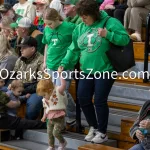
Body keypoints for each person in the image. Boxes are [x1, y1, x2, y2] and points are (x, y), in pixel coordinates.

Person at [58, 0, 130, 143]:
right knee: (83, 97)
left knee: (99, 100)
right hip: (86, 70)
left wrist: (108, 35)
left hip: (106, 69)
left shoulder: (110, 22)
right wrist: (65, 62)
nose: (82, 19)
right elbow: (73, 48)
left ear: (94, 14)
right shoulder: (80, 28)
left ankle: (102, 132)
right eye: (81, 16)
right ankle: (94, 126)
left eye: (85, 16)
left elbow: (125, 39)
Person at [42, 7, 76, 125]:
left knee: (62, 92)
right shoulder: (47, 29)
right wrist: (45, 61)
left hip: (64, 65)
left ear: (57, 18)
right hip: (51, 65)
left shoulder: (69, 27)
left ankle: (72, 113)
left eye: (50, 23)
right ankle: (56, 117)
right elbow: (47, 45)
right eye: (46, 24)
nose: (49, 26)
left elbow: (76, 43)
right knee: (51, 91)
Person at [0, 71, 46, 139]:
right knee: (21, 123)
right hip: (4, 118)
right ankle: (45, 124)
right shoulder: (4, 95)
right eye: (1, 81)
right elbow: (12, 105)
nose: (3, 83)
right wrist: (18, 102)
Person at [13, 36, 43, 120]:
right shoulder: (20, 60)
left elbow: (40, 84)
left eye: (24, 48)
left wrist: (22, 90)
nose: (21, 50)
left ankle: (26, 125)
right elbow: (14, 76)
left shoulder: (41, 61)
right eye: (20, 48)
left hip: (35, 91)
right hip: (20, 88)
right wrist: (13, 87)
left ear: (32, 49)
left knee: (32, 109)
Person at [37, 72, 68, 150]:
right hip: (50, 118)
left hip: (59, 117)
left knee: (56, 133)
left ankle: (63, 142)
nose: (44, 97)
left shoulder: (58, 91)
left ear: (50, 90)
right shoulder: (45, 99)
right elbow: (46, 108)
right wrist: (44, 117)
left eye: (44, 95)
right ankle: (51, 146)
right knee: (49, 133)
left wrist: (60, 75)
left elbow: (64, 85)